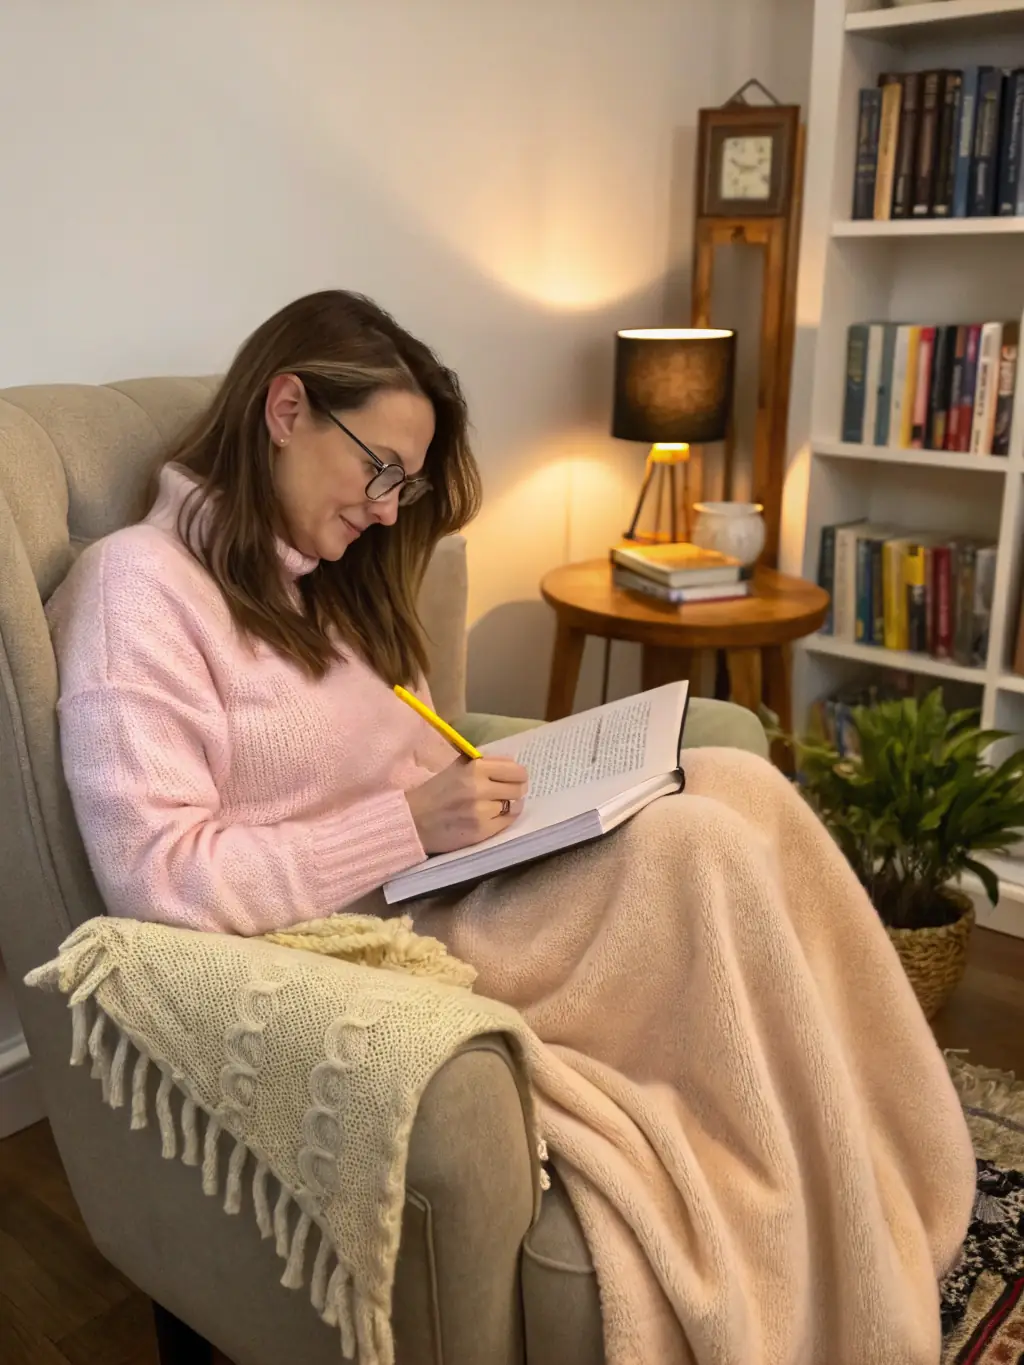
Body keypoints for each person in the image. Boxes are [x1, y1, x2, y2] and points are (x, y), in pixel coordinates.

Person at [48, 290, 974, 1363]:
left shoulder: (330, 581)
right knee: (699, 848)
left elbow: (414, 752)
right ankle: (809, 1240)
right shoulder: (139, 591)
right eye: (379, 471)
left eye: (407, 483)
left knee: (735, 777)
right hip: (358, 936)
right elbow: (154, 879)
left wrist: (504, 791)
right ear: (286, 407)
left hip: (453, 869)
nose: (390, 510)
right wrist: (407, 825)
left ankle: (880, 1167)